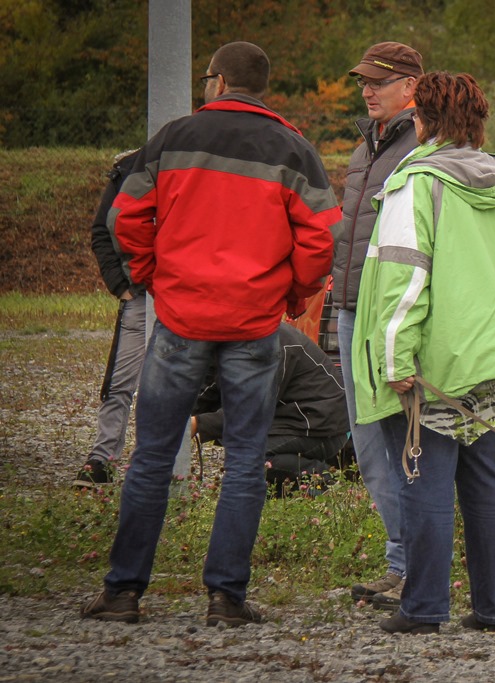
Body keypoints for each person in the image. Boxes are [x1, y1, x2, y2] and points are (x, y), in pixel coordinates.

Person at [80, 41, 339, 627]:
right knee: (246, 460)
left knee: (150, 456)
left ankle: (122, 593)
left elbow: (126, 217)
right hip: (253, 326)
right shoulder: (295, 148)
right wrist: (291, 295)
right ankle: (226, 598)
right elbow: (322, 239)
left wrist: (151, 278)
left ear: (218, 82)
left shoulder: (172, 138)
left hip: (179, 319)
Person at [352, 71, 495, 635]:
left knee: (425, 483)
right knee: (493, 480)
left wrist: (395, 361)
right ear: (480, 121)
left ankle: (422, 609)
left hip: (439, 368)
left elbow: (401, 281)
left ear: (423, 121)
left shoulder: (415, 182)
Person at [332, 41, 423, 610]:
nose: (367, 90)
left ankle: (415, 563)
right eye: (363, 81)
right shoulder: (367, 145)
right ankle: (402, 560)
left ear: (411, 86)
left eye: (380, 82)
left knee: (399, 444)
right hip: (348, 308)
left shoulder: (421, 146)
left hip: (387, 316)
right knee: (368, 445)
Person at [190, 323, 350, 498]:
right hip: (289, 421)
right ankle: (281, 494)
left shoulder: (273, 344)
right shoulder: (226, 340)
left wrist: (199, 424)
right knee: (242, 452)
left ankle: (327, 484)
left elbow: (252, 410)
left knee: (247, 456)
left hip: (321, 428)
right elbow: (208, 389)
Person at [73, 148, 147, 488]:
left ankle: (161, 462)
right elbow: (102, 230)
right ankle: (102, 459)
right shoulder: (129, 168)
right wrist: (121, 287)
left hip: (189, 294)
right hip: (142, 295)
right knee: (120, 383)